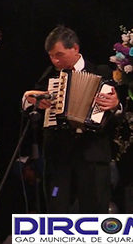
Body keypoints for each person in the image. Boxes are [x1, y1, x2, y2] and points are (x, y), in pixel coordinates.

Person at [23, 25, 119, 213]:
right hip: (59, 161)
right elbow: (29, 103)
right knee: (56, 212)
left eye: (59, 55)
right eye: (51, 56)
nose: (55, 60)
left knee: (95, 217)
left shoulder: (102, 72)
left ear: (75, 48)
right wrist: (28, 97)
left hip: (92, 158)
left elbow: (117, 116)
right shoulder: (49, 76)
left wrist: (115, 105)